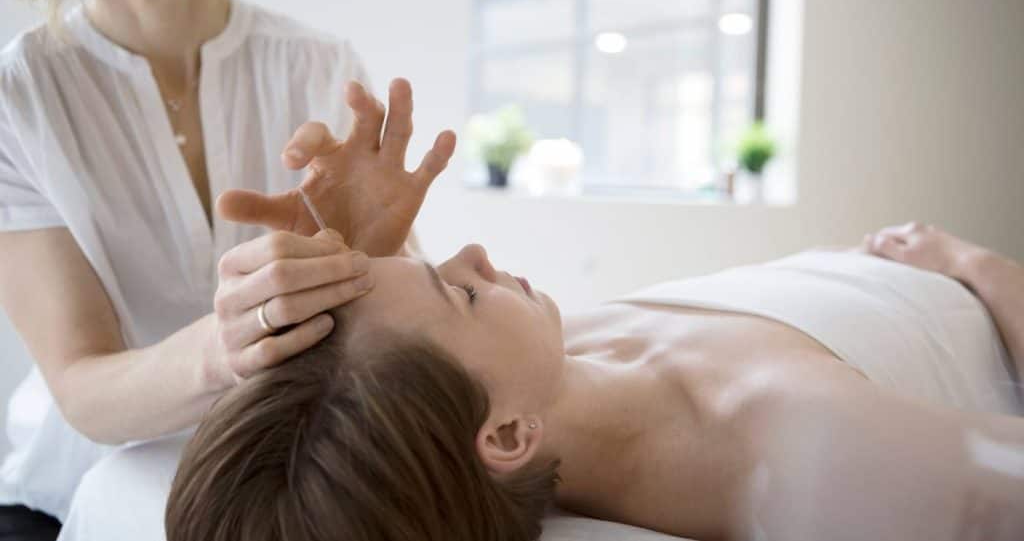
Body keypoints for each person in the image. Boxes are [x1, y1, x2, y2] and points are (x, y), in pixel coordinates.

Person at [164, 101, 1024, 541]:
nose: (471, 253)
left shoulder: (528, 372)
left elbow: (405, 378)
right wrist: (973, 265)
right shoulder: (803, 448)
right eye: (458, 290)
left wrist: (383, 260)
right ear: (504, 436)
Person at [0, 0, 453, 537]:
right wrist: (222, 351)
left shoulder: (320, 67)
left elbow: (410, 341)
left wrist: (376, 259)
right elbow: (83, 387)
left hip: (285, 489)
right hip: (66, 497)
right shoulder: (21, 99)